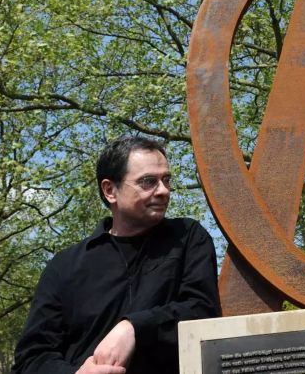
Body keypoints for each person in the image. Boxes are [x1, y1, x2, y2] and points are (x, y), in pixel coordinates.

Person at [12, 136, 221, 374]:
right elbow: (31, 358)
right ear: (110, 190)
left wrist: (133, 328)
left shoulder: (188, 237)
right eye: (148, 181)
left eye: (166, 180)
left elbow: (202, 311)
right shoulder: (65, 266)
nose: (163, 191)